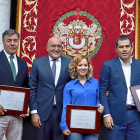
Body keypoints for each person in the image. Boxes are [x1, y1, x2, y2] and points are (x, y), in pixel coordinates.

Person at [29, 36, 71, 140]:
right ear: (47, 47)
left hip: (62, 113)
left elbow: (75, 85)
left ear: (62, 48)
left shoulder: (70, 63)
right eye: (53, 46)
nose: (56, 49)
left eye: (59, 46)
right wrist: (34, 112)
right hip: (42, 112)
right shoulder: (38, 63)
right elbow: (32, 88)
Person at [99, 35, 140, 140]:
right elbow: (102, 91)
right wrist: (106, 114)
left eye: (127, 46)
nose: (124, 49)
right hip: (115, 116)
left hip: (136, 116)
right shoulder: (108, 66)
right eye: (121, 47)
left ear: (132, 47)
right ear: (116, 49)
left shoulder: (139, 65)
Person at [60, 54, 104, 140]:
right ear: (75, 67)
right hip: (74, 125)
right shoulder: (69, 86)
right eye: (80, 65)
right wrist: (63, 125)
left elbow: (98, 100)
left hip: (92, 124)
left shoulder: (95, 82)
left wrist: (99, 106)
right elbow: (66, 106)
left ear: (89, 67)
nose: (83, 68)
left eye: (85, 65)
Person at [0, 29, 29, 140]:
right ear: (3, 42)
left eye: (15, 41)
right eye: (9, 40)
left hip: (17, 116)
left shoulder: (23, 64)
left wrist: (27, 106)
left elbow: (26, 86)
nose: (12, 43)